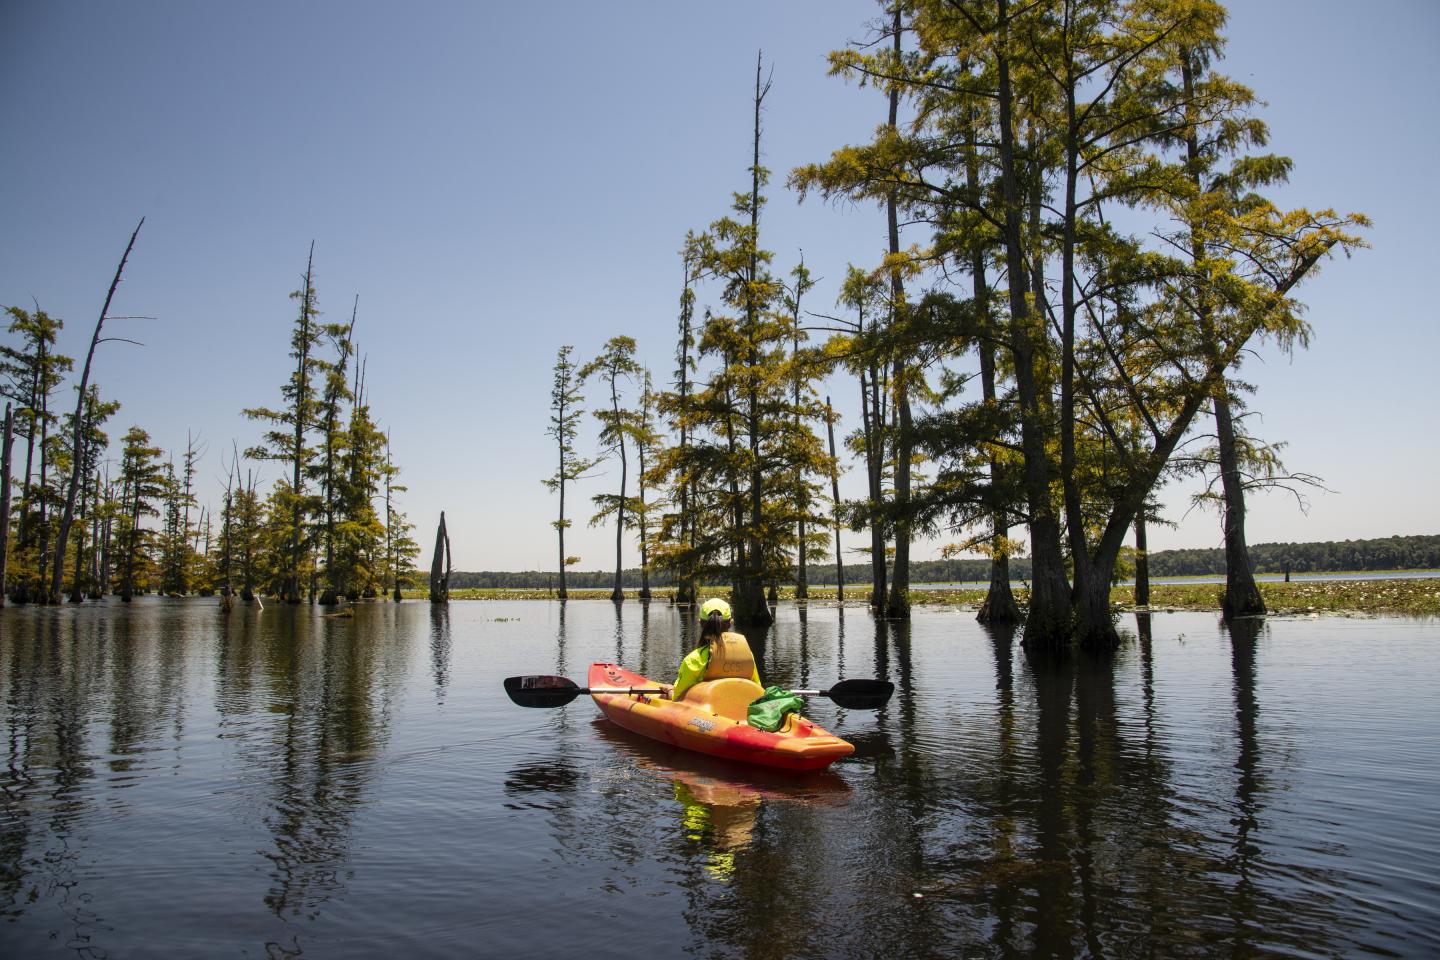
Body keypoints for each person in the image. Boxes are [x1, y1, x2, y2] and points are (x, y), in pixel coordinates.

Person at [664, 597, 761, 701]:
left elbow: (677, 699)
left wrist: (670, 690)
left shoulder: (694, 660)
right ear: (730, 622)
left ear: (700, 622)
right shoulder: (747, 655)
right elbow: (757, 690)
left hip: (707, 714)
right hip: (740, 710)